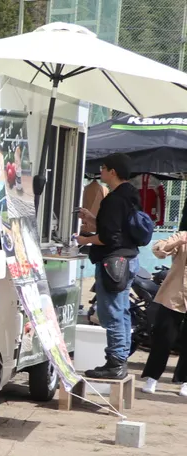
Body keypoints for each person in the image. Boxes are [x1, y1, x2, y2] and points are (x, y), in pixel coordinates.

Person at [78, 153, 141, 380]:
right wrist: (93, 219)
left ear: (113, 172)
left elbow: (109, 238)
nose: (101, 172)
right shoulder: (130, 195)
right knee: (121, 312)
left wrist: (85, 240)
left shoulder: (114, 199)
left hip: (114, 262)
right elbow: (120, 229)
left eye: (103, 168)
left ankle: (115, 363)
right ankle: (119, 359)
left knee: (112, 314)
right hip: (128, 259)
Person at [140, 219, 187, 397]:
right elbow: (158, 249)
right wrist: (178, 242)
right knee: (163, 337)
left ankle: (185, 380)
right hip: (173, 296)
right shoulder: (182, 236)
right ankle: (152, 377)